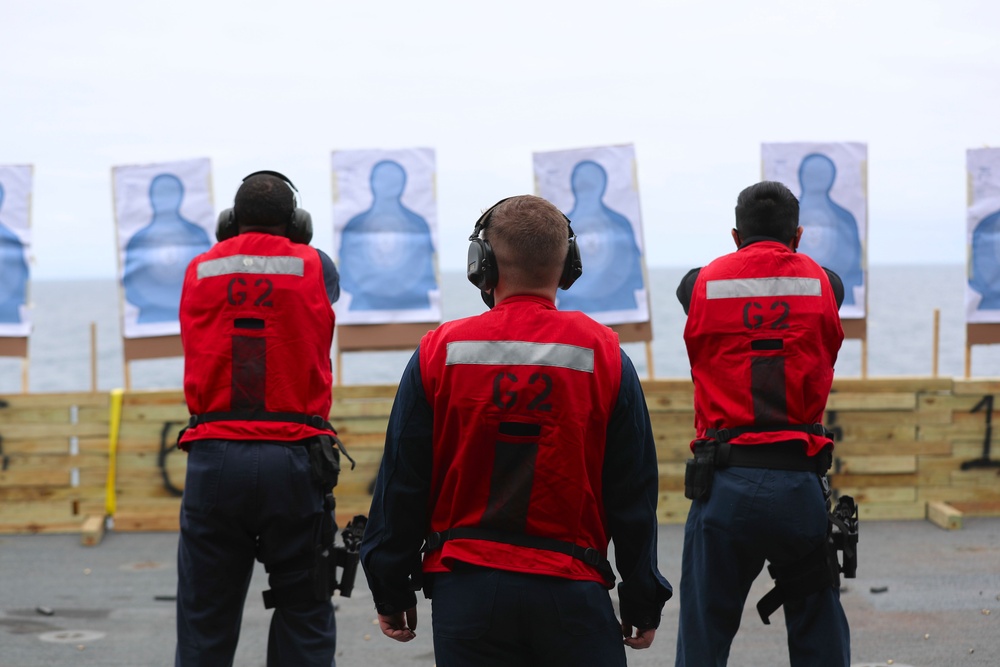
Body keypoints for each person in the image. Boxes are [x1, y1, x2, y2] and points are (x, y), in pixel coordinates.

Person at [360, 194, 672, 667]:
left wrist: (390, 585)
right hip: (573, 591)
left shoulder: (438, 350)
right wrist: (641, 595)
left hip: (465, 593)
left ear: (481, 265)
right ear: (569, 266)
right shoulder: (604, 352)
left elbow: (403, 481)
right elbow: (631, 490)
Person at [674, 180, 850, 666]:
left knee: (703, 638)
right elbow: (828, 282)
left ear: (734, 236)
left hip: (724, 482)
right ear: (797, 235)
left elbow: (691, 281)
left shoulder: (699, 284)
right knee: (819, 633)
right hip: (798, 482)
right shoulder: (825, 285)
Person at [175, 171, 342, 667]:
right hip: (293, 461)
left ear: (230, 221)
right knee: (306, 612)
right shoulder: (316, 266)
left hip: (214, 459)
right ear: (298, 224)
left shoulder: (200, 269)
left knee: (205, 622)